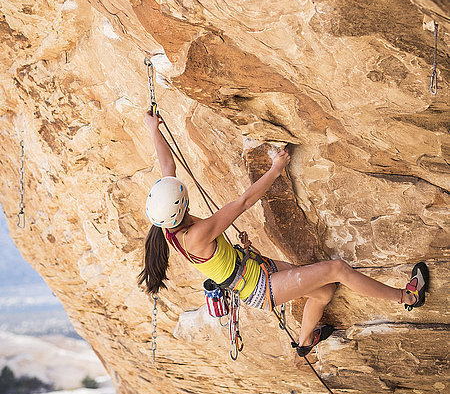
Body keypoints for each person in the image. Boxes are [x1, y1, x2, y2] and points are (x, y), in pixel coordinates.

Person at [138, 110, 429, 356]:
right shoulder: (197, 234)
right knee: (338, 269)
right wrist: (276, 169)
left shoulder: (165, 223)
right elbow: (243, 202)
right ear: (183, 205)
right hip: (259, 287)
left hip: (253, 269)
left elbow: (168, 166)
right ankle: (407, 297)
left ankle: (304, 343)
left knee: (325, 291)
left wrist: (153, 129)